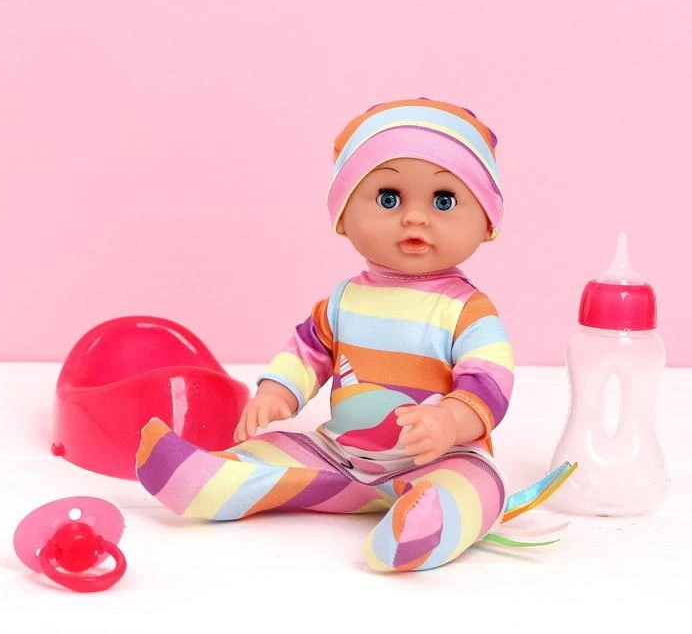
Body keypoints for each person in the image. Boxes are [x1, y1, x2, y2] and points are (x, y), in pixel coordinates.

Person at [136, 98, 574, 572]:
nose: (415, 218)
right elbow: (307, 350)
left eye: (443, 201)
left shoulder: (467, 310)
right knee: (275, 451)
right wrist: (277, 392)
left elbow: (489, 382)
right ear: (343, 216)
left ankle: (426, 525)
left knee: (477, 484)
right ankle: (207, 479)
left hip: (441, 456)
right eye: (389, 198)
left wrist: (451, 421)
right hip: (341, 454)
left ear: (487, 223)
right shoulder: (345, 300)